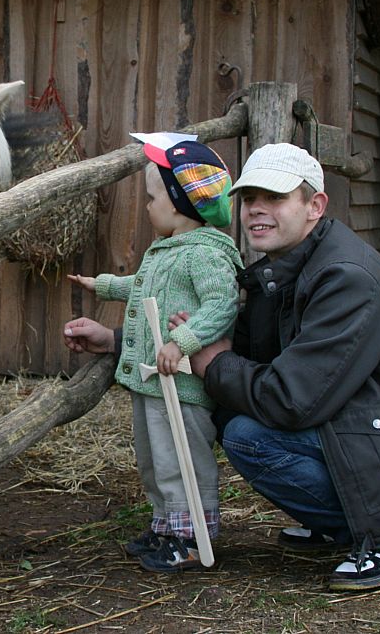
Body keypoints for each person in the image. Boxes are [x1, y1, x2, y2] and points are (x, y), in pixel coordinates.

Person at [64, 142, 380, 590]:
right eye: (250, 198)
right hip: (373, 419)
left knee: (248, 436)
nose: (256, 209)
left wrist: (214, 362)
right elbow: (249, 348)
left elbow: (292, 399)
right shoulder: (284, 266)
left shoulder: (345, 277)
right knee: (233, 412)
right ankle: (340, 521)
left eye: (275, 197)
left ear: (315, 206)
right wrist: (117, 341)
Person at [67, 140, 242, 573]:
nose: (147, 207)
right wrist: (103, 285)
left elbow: (222, 303)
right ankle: (167, 526)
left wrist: (182, 341)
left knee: (183, 459)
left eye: (152, 198)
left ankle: (192, 539)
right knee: (156, 459)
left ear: (180, 203)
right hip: (154, 382)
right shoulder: (170, 249)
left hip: (182, 385)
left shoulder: (206, 253)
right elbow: (146, 287)